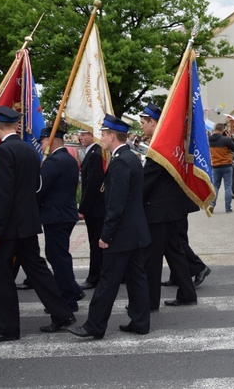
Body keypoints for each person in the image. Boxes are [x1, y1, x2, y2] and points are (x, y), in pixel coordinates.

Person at [0, 106, 75, 343]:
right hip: (29, 223)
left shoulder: (3, 151)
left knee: (2, 277)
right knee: (38, 271)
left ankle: (7, 328)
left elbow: (3, 195)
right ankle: (63, 314)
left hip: (9, 227)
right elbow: (35, 187)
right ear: (15, 125)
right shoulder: (30, 150)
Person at [68, 114, 151, 339]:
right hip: (134, 232)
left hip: (122, 234)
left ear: (112, 136)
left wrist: (106, 235)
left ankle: (94, 326)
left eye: (104, 134)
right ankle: (140, 322)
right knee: (136, 279)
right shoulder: (129, 157)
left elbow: (116, 204)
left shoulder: (121, 161)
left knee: (107, 281)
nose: (101, 137)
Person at [139, 102, 197, 311]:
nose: (142, 127)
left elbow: (148, 180)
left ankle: (149, 301)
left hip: (158, 211)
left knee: (152, 259)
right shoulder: (169, 141)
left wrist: (131, 197)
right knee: (175, 251)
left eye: (144, 123)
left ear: (153, 122)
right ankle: (188, 293)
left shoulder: (161, 145)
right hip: (172, 209)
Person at [37, 126, 85, 312]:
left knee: (58, 258)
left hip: (56, 216)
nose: (41, 145)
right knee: (59, 256)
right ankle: (73, 289)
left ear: (51, 139)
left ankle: (68, 299)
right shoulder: (69, 159)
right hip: (64, 214)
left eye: (42, 141)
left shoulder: (54, 161)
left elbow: (40, 190)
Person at [77, 129, 104, 290]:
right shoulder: (93, 152)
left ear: (92, 135)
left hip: (95, 209)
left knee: (96, 244)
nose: (80, 137)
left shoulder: (95, 153)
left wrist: (83, 209)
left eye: (83, 133)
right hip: (97, 208)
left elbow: (92, 185)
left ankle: (94, 277)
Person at [208, 123, 234, 213]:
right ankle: (228, 207)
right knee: (228, 186)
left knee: (216, 186)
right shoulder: (225, 139)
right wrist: (228, 137)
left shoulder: (209, 139)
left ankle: (212, 204)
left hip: (215, 165)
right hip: (226, 165)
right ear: (223, 130)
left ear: (215, 129)